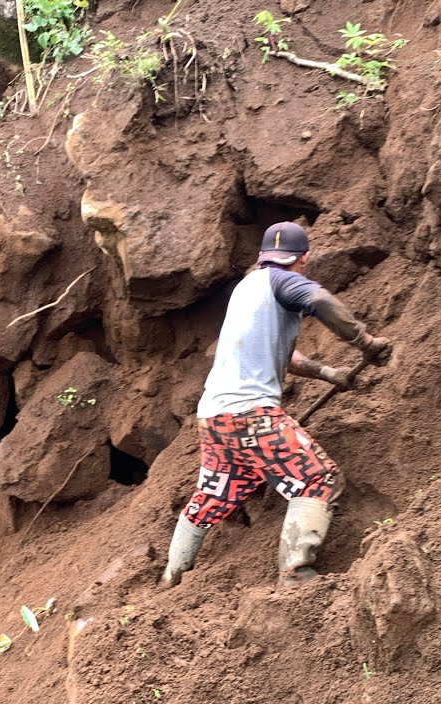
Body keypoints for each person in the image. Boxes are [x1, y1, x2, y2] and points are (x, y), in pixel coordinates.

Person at [161, 221, 393, 588]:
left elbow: (278, 352)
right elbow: (318, 301)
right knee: (318, 479)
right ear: (304, 258)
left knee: (215, 492)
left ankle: (172, 576)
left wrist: (328, 372)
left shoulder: (247, 288)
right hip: (250, 413)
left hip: (214, 416)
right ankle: (295, 578)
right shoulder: (284, 281)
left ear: (263, 256)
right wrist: (364, 341)